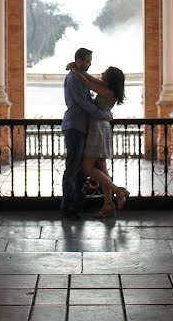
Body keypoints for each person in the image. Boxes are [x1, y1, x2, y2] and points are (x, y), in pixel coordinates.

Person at [67, 62, 129, 218]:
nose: (102, 73)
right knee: (101, 168)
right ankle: (108, 204)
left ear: (110, 78)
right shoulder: (108, 87)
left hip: (98, 129)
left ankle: (117, 191)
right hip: (102, 127)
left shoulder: (108, 91)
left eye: (105, 72)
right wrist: (78, 68)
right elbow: (89, 78)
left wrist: (75, 70)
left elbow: (87, 83)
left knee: (87, 168)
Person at [61, 47, 113, 220]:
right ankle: (67, 206)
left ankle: (77, 203)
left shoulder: (79, 77)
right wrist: (104, 115)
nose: (90, 64)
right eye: (87, 61)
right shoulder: (74, 79)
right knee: (73, 168)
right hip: (75, 126)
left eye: (90, 61)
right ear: (79, 60)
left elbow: (89, 85)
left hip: (81, 127)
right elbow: (84, 103)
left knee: (79, 170)